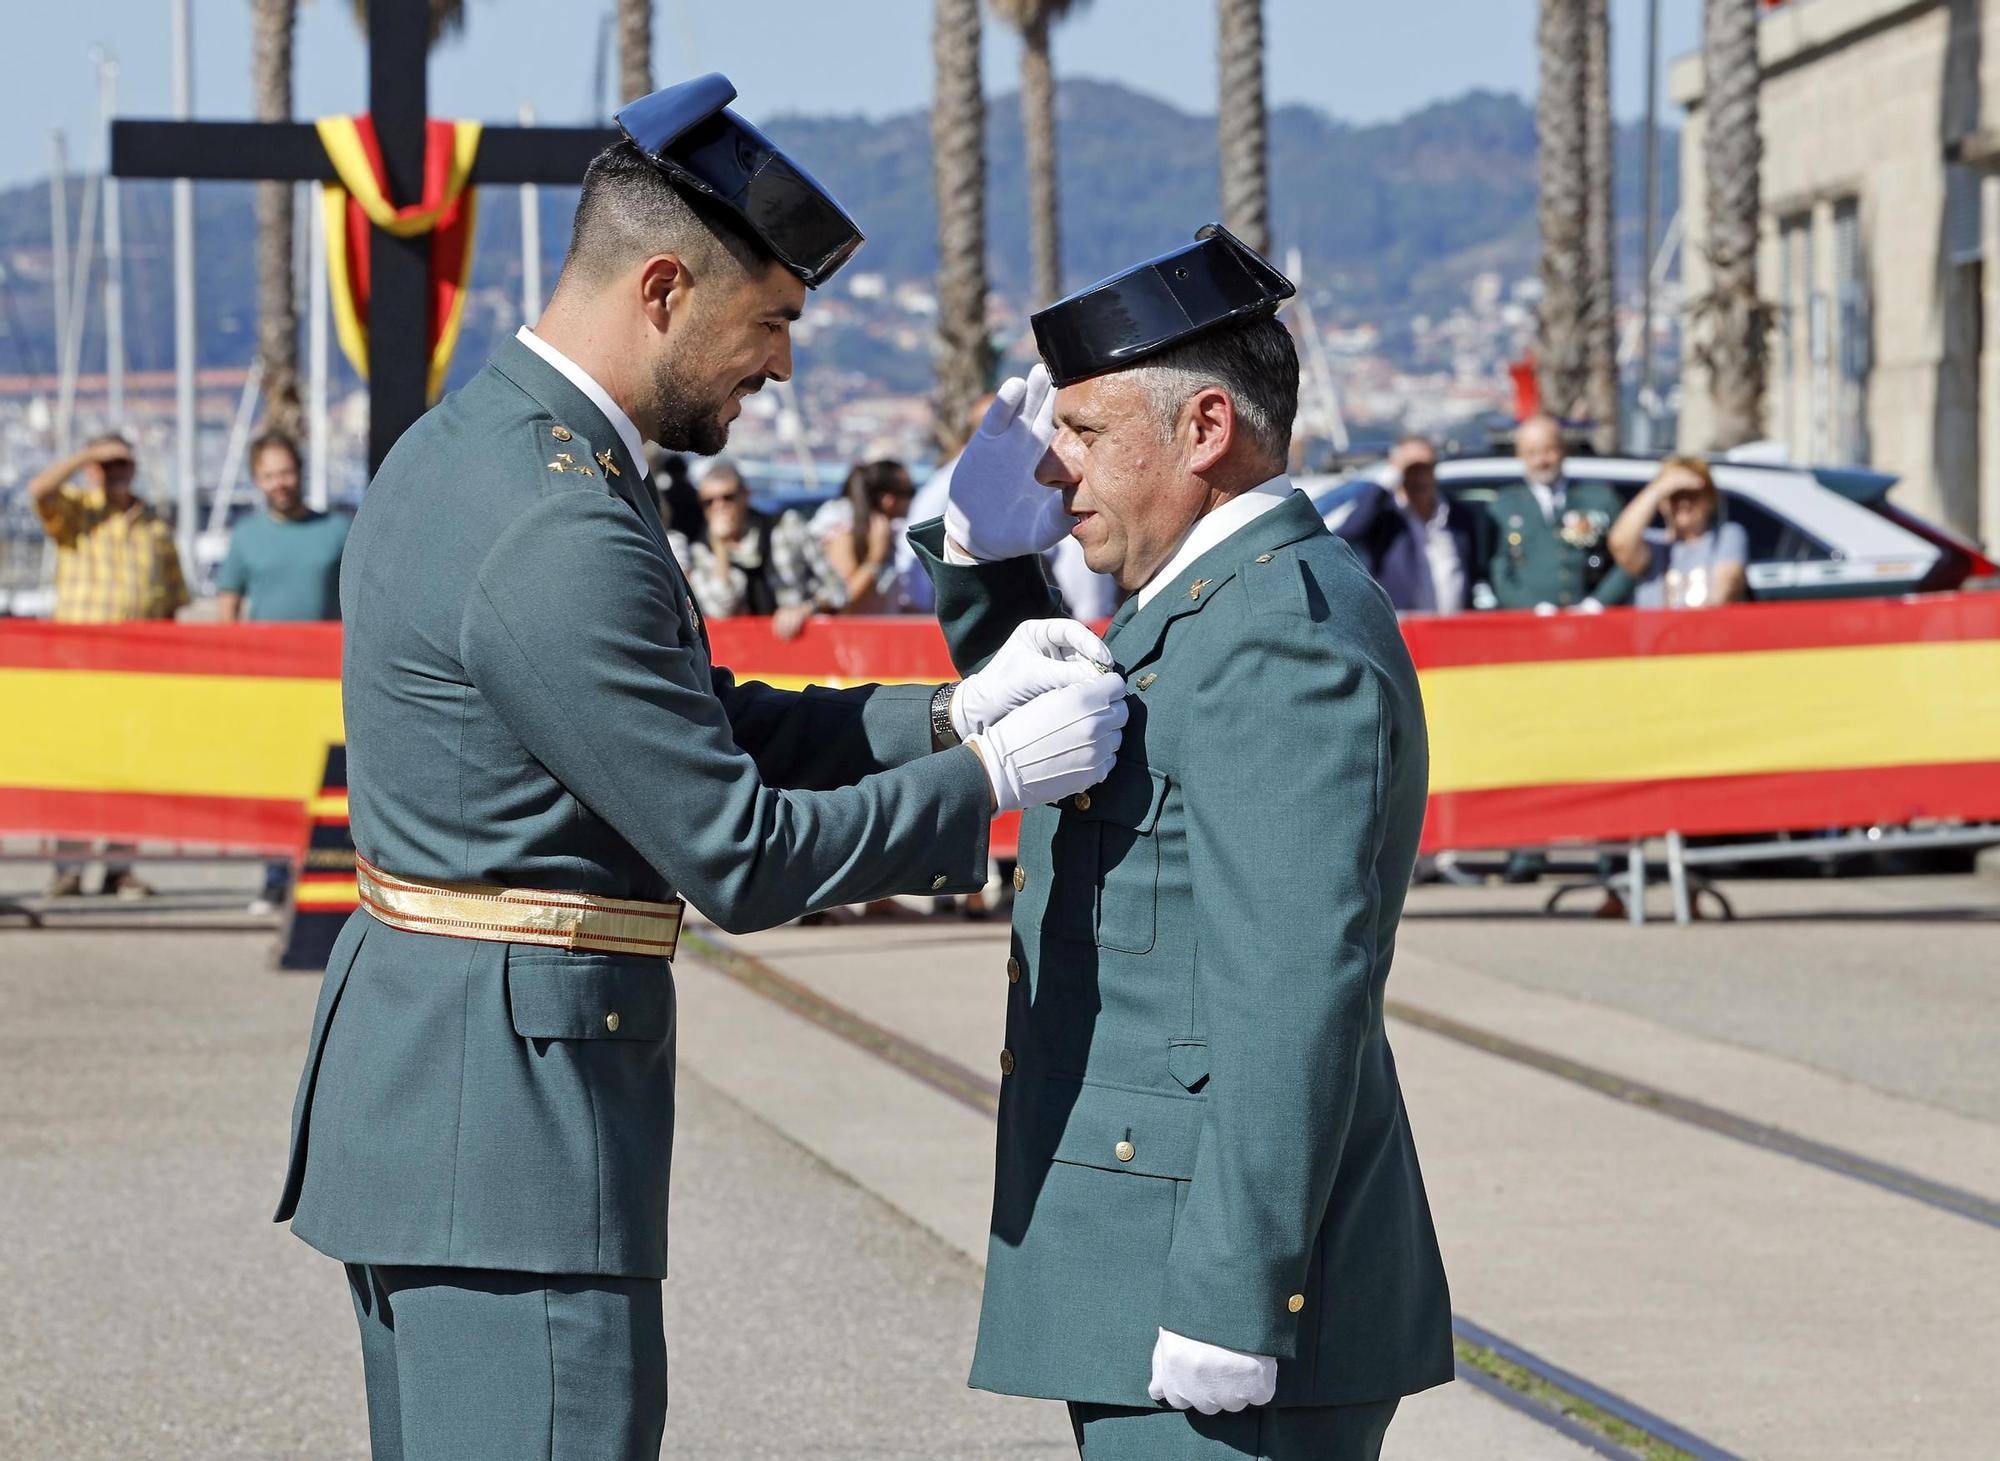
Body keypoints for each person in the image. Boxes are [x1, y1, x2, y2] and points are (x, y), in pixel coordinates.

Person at [273, 72, 1126, 1461]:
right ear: (664, 287)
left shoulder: (492, 450)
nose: (780, 365)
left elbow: (690, 716)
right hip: (512, 1139)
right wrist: (990, 780)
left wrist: (952, 713)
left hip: (452, 1113)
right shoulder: (556, 518)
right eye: (772, 320)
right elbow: (735, 851)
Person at [914, 224, 1452, 1461]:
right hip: (1138, 1253)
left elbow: (1289, 991)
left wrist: (1231, 1292)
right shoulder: (1205, 610)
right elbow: (1083, 728)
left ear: (1204, 430)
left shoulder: (1279, 633)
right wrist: (983, 566)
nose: (1059, 474)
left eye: (1087, 433)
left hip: (1204, 1296)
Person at [27, 431, 189, 899]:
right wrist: (84, 456)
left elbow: (172, 600)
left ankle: (119, 867)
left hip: (138, 673)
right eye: (107, 464)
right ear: (92, 469)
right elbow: (39, 491)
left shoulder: (155, 526)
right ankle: (69, 868)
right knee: (75, 767)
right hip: (79, 670)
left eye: (123, 464)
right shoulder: (76, 512)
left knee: (130, 769)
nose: (116, 472)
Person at [213, 429, 352, 913]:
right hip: (266, 687)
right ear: (257, 480)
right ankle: (273, 878)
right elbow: (227, 603)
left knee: (323, 779)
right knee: (271, 780)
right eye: (270, 475)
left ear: (300, 472)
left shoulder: (337, 530)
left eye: (286, 472)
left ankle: (329, 873)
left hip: (323, 683)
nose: (280, 483)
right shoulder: (247, 536)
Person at [671, 457, 838, 639]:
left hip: (801, 645)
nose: (719, 507)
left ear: (745, 495)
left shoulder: (786, 527)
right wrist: (720, 547)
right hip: (744, 657)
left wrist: (804, 610)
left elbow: (837, 590)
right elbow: (721, 611)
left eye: (728, 498)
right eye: (709, 502)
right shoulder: (701, 552)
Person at [1485, 414, 1634, 613]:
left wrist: (1597, 603)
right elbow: (1500, 570)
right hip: (1530, 626)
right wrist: (1533, 609)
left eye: (1548, 450)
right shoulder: (1504, 505)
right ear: (1519, 455)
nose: (1541, 461)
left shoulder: (1600, 498)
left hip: (1594, 622)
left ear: (1563, 449)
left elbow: (1629, 557)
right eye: (1531, 452)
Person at [1334, 434, 1481, 614]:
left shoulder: (1457, 516)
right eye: (1411, 469)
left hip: (1452, 631)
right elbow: (1348, 533)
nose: (1419, 477)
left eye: (1425, 468)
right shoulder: (1385, 516)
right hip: (1402, 631)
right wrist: (1389, 478)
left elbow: (1473, 569)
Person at [1607, 455, 1749, 609]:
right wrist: (1659, 488)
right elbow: (1620, 544)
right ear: (1662, 502)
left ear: (1710, 499)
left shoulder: (1726, 536)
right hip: (1657, 632)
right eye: (1675, 495)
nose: (1684, 503)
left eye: (1692, 495)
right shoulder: (1652, 545)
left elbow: (1725, 587)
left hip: (1704, 631)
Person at [812, 457, 917, 612]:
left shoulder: (886, 533)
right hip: (848, 634)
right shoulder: (843, 532)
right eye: (909, 492)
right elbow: (842, 599)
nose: (912, 500)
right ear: (888, 500)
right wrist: (874, 558)